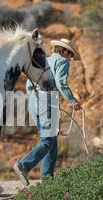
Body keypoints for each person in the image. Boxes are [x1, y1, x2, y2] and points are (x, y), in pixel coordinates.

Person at [13, 38, 82, 185]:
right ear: (65, 52)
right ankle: (23, 165)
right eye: (71, 55)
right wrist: (72, 101)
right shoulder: (63, 61)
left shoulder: (46, 61)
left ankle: (47, 182)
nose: (71, 59)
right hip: (48, 101)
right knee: (48, 140)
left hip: (34, 101)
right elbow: (61, 83)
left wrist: (37, 96)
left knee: (51, 142)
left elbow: (29, 84)